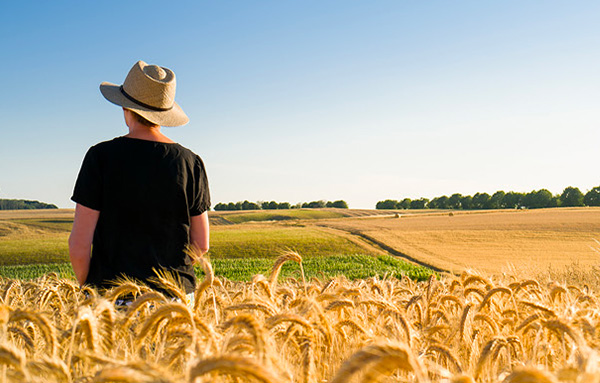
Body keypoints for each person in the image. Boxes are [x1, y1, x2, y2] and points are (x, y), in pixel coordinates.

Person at [69, 60, 210, 303]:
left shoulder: (100, 157)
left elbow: (79, 244)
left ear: (125, 109)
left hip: (114, 298)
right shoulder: (191, 162)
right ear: (164, 114)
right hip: (175, 303)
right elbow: (201, 244)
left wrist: (92, 292)